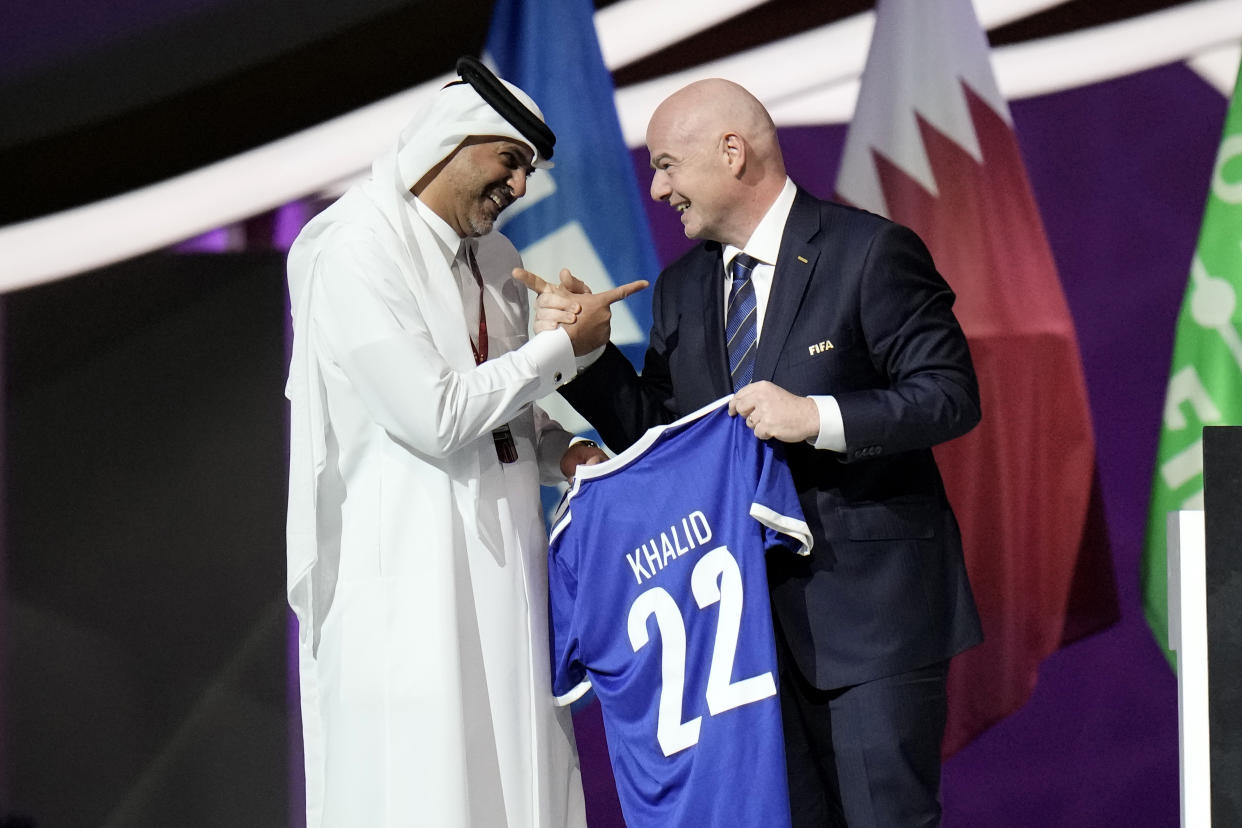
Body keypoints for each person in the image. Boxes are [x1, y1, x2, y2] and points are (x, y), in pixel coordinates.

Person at [519, 78, 983, 827]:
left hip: (866, 619)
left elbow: (949, 395)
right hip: (737, 643)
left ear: (733, 153)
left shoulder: (869, 252)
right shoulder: (681, 289)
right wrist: (591, 355)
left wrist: (815, 416)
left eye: (668, 164)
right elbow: (661, 438)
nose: (658, 187)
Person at [283, 57, 642, 827]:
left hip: (509, 577)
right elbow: (435, 416)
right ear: (452, 141)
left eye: (530, 170)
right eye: (510, 162)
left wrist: (565, 453)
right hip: (406, 593)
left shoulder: (499, 262)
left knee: (520, 788)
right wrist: (560, 350)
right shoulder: (353, 248)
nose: (520, 187)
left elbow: (505, 422)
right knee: (428, 790)